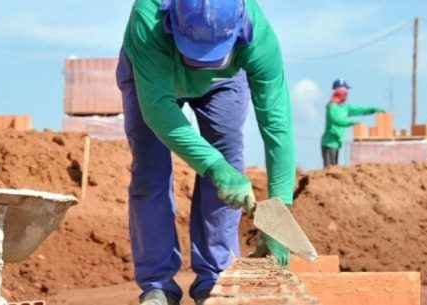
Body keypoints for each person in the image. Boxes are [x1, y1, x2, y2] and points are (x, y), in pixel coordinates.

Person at [116, 0, 295, 304]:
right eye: (194, 54)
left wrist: (279, 214)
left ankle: (216, 279)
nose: (199, 65)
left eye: (210, 56)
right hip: (153, 74)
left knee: (229, 165)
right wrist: (214, 166)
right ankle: (157, 285)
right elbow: (158, 111)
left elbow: (277, 125)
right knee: (151, 171)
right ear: (172, 24)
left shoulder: (257, 36)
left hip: (225, 81)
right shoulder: (148, 19)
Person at [320, 79, 384, 167]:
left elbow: (360, 110)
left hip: (337, 143)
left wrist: (373, 110)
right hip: (329, 143)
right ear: (339, 92)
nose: (346, 95)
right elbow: (337, 120)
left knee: (334, 168)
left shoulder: (345, 107)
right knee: (329, 170)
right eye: (345, 92)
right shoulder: (331, 107)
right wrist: (352, 123)